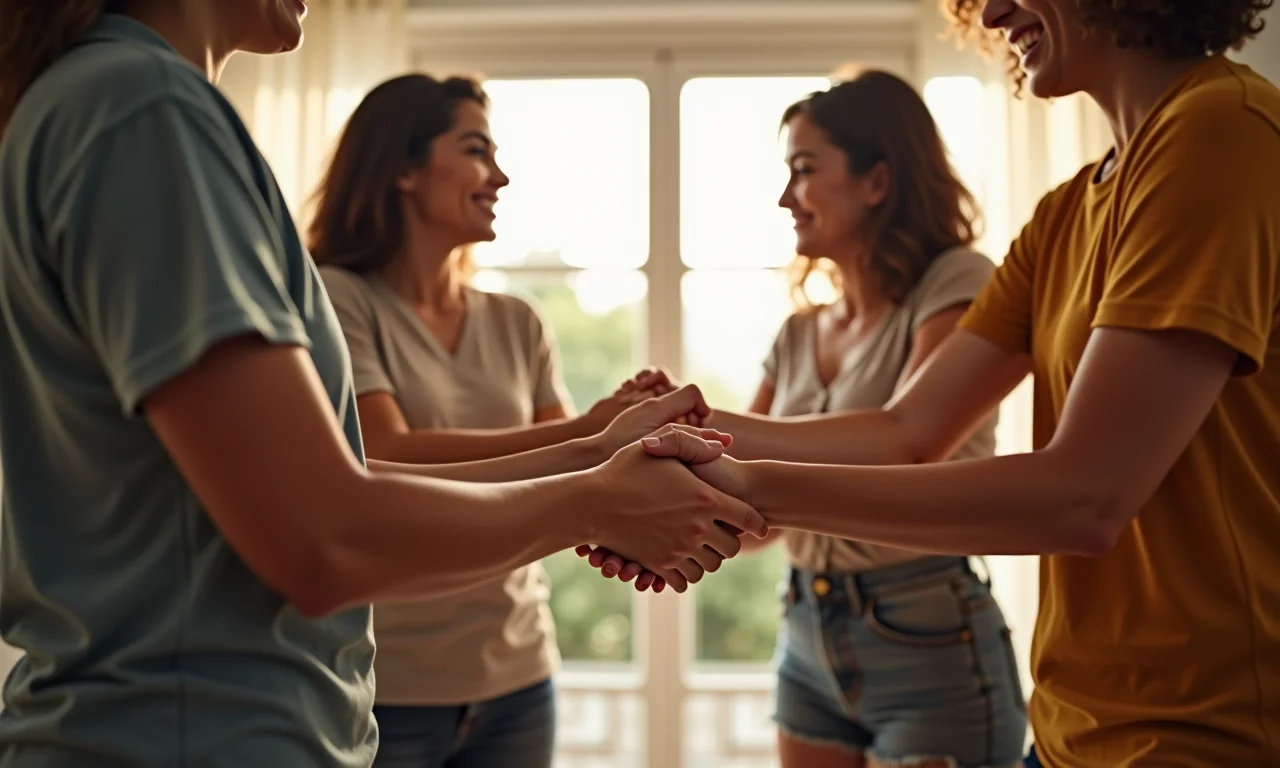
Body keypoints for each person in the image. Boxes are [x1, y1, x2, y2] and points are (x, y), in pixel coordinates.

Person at [0, 2, 766, 765]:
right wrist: (599, 498)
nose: (498, 175)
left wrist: (596, 453)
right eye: (475, 150)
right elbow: (325, 534)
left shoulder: (111, 103)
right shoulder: (143, 112)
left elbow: (332, 485)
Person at [586, 1, 1280, 766]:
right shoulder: (1064, 214)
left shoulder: (1221, 130)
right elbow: (904, 431)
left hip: (1207, 730)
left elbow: (1085, 496)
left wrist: (745, 479)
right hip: (1073, 727)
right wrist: (665, 424)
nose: (990, 9)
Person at [620, 71, 1028, 768]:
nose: (786, 197)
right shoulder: (798, 334)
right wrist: (644, 515)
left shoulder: (959, 280)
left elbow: (908, 441)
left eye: (804, 171)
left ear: (877, 180)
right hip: (807, 630)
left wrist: (691, 418)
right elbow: (748, 508)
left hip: (926, 633)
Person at [308, 73, 654, 767]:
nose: (499, 176)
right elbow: (386, 450)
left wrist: (636, 429)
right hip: (390, 683)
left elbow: (578, 465)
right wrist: (594, 430)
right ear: (403, 169)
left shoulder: (517, 320)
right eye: (475, 151)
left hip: (520, 678)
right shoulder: (337, 298)